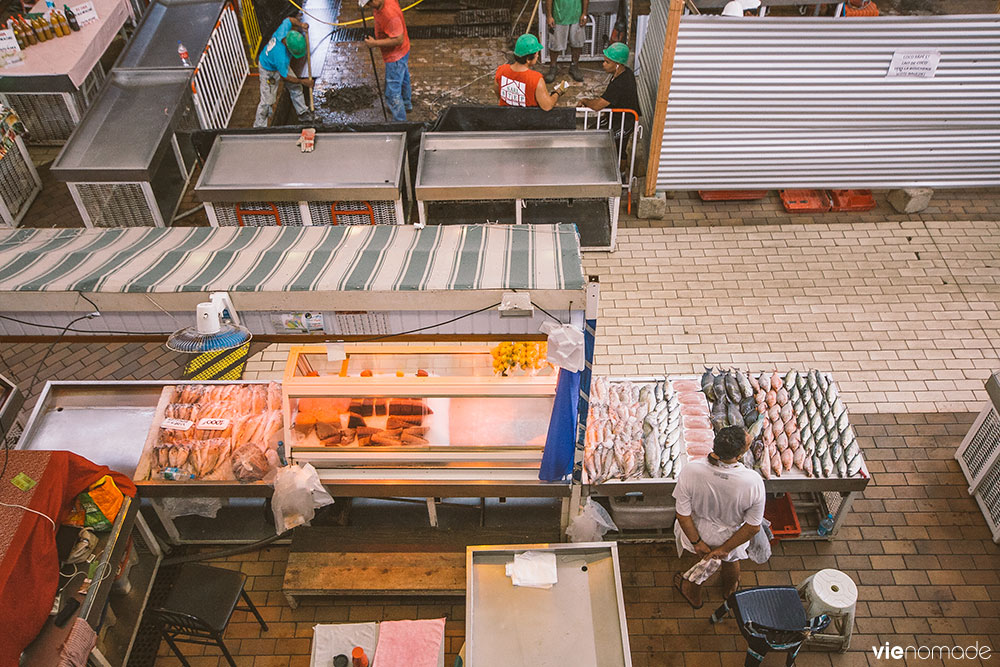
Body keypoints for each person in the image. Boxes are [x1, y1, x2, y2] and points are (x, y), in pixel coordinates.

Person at [672, 425, 765, 609]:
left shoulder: (691, 470)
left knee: (699, 562)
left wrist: (697, 542)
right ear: (738, 456)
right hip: (730, 536)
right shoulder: (752, 481)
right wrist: (725, 549)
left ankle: (694, 594)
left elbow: (683, 515)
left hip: (697, 530)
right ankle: (729, 590)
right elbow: (753, 526)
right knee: (731, 561)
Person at [255, 16, 315, 127]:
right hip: (268, 70)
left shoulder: (284, 31)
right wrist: (303, 81)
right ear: (289, 48)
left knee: (295, 87)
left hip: (278, 65)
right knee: (267, 101)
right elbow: (285, 77)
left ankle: (302, 113)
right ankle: (259, 127)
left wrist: (301, 25)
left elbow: (289, 19)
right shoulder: (281, 56)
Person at [578, 42, 640, 140]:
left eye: (607, 62)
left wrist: (584, 101)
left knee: (614, 147)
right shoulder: (626, 71)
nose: (603, 64)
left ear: (617, 65)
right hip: (613, 117)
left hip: (624, 122)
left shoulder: (620, 84)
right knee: (591, 133)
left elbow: (597, 106)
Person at [363, 0, 411, 121]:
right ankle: (406, 104)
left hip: (395, 55)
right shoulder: (382, 3)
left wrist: (375, 43)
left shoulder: (390, 15)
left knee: (392, 92)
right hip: (403, 50)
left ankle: (400, 122)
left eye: (370, 3)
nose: (369, 7)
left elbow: (398, 39)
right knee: (404, 78)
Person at [495, 34, 564, 111]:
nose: (538, 56)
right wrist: (558, 92)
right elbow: (547, 106)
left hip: (505, 118)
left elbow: (498, 92)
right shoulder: (536, 79)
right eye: (537, 54)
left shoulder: (501, 70)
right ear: (528, 59)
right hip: (527, 121)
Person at [544, 0, 588, 83]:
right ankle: (553, 67)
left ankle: (574, 66)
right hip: (558, 16)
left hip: (576, 16)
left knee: (577, 43)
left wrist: (584, 14)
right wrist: (549, 16)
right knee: (555, 45)